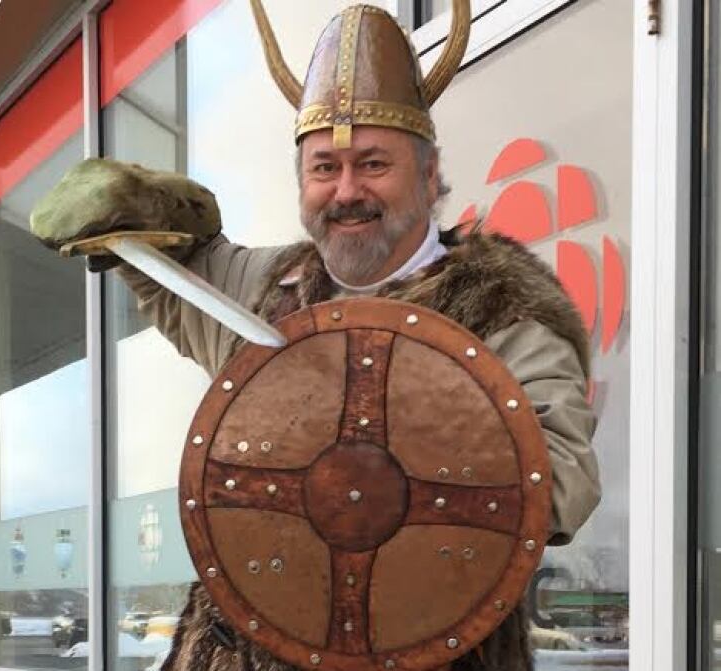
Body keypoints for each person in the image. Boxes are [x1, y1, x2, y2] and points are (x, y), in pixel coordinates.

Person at [31, 2, 600, 669]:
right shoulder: (261, 285)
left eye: (374, 164)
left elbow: (559, 480)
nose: (347, 190)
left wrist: (387, 450)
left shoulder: (505, 309)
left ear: (428, 173)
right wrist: (142, 204)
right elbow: (162, 261)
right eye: (324, 168)